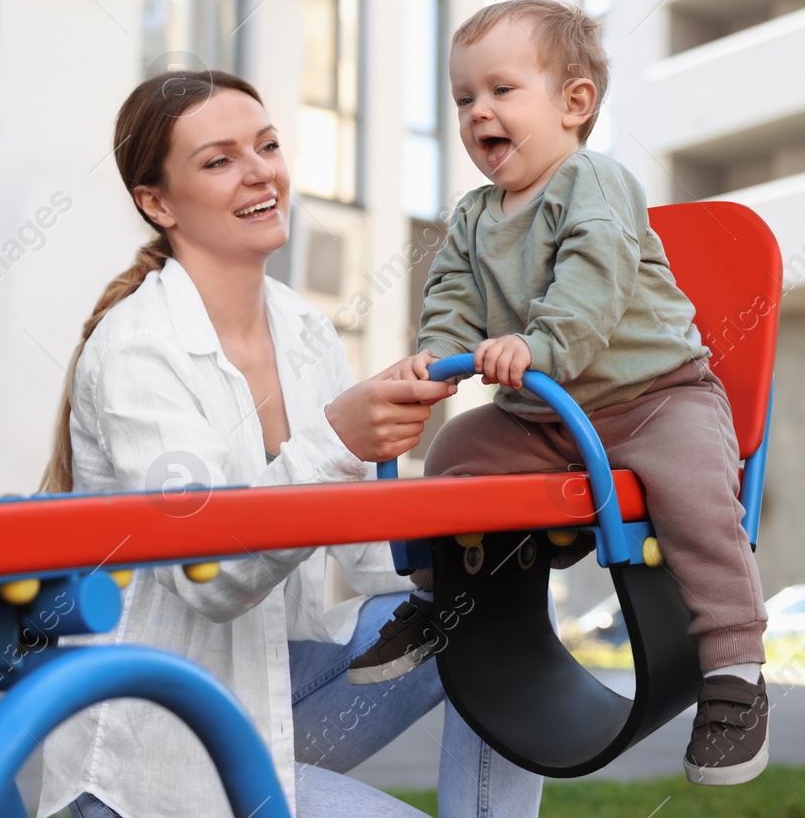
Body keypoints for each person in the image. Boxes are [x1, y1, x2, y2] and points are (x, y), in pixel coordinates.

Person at [34, 70, 544, 818]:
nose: (261, 171)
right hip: (156, 759)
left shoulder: (304, 331)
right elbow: (213, 578)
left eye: (267, 145)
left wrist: (480, 537)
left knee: (499, 598)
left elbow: (372, 561)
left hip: (275, 698)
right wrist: (339, 438)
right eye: (219, 160)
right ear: (157, 202)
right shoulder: (140, 349)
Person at [343, 0, 771, 787]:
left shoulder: (595, 184)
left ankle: (736, 671)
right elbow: (450, 301)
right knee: (459, 449)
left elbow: (590, 286)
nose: (479, 113)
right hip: (548, 414)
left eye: (501, 90)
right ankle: (440, 601)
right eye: (463, 98)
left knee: (695, 490)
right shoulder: (472, 217)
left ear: (574, 103)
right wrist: (435, 357)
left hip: (655, 398)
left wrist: (537, 346)